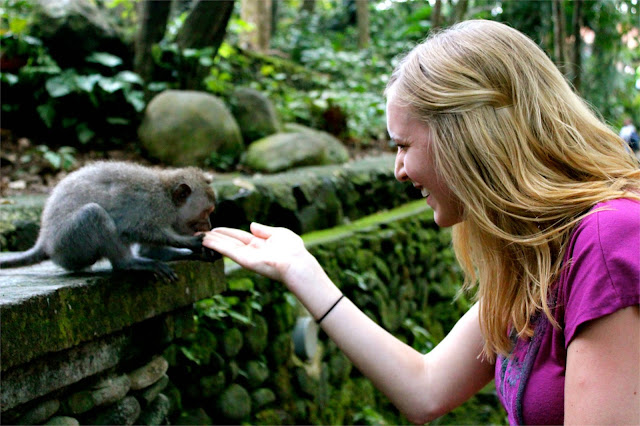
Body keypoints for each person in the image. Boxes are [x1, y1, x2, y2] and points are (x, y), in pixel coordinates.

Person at [203, 20, 640, 425]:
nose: (399, 170)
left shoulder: (607, 239)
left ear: (466, 137)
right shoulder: (539, 251)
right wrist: (300, 270)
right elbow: (426, 387)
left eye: (404, 145)